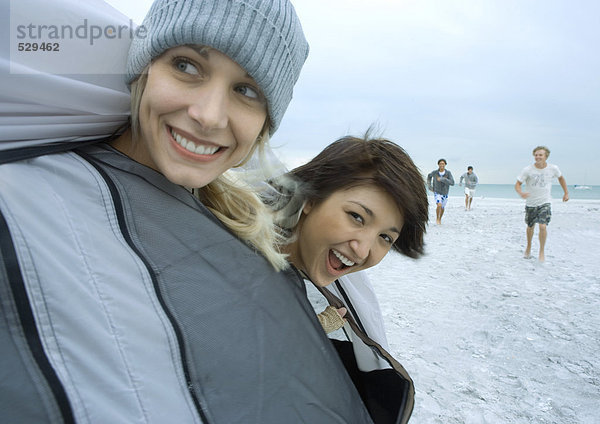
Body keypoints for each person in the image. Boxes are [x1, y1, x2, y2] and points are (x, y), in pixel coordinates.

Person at [0, 1, 376, 423]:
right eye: (187, 65)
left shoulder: (242, 227)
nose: (208, 116)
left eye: (246, 91)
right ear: (144, 68)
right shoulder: (25, 194)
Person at [267, 134, 429, 424]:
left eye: (385, 237)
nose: (363, 250)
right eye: (356, 216)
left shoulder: (348, 288)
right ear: (311, 198)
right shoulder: (233, 252)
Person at [515, 146, 569, 262]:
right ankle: (528, 247)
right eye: (536, 155)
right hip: (531, 203)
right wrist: (521, 193)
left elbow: (561, 179)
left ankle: (541, 251)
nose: (538, 157)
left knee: (543, 226)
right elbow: (518, 184)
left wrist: (566, 193)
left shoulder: (553, 168)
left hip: (545, 201)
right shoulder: (527, 170)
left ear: (546, 156)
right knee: (530, 227)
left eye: (540, 155)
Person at [426, 158, 455, 224]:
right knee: (439, 205)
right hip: (437, 191)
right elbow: (429, 176)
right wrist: (429, 186)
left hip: (445, 192)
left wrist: (443, 179)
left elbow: (452, 183)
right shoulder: (435, 172)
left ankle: (440, 218)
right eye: (440, 163)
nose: (442, 165)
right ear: (438, 164)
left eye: (443, 164)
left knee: (442, 207)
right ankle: (437, 218)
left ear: (445, 165)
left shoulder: (448, 173)